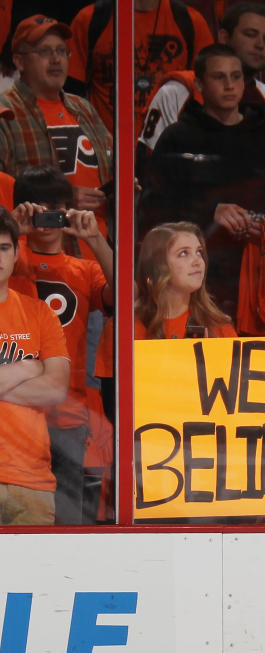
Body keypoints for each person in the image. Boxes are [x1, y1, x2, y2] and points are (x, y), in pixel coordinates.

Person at [137, 43, 265, 328]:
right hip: (195, 277)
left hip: (256, 273)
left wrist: (262, 225)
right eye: (219, 77)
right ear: (199, 82)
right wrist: (210, 213)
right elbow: (152, 213)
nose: (229, 85)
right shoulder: (177, 138)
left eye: (236, 76)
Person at [135, 1, 265, 209]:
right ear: (224, 37)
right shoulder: (175, 93)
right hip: (185, 225)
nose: (260, 44)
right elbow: (149, 173)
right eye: (250, 34)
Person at [12, 164, 112, 525]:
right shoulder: (10, 258)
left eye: (57, 209)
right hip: (15, 412)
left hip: (67, 411)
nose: (48, 221)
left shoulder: (83, 268)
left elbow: (126, 296)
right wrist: (12, 230)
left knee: (68, 520)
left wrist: (94, 238)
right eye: (40, 210)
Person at [0, 15, 112, 240]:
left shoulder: (84, 108)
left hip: (99, 252)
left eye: (62, 51)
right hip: (41, 257)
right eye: (44, 52)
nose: (56, 59)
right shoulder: (5, 114)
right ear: (19, 61)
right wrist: (65, 198)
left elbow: (111, 167)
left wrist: (122, 188)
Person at [0, 204, 70, 525]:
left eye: (3, 248)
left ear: (16, 253)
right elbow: (43, 379)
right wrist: (28, 368)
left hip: (29, 478)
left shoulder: (40, 312)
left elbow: (56, 389)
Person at [68, 0, 214, 131]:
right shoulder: (91, 19)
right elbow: (70, 94)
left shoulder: (190, 21)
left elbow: (208, 94)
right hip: (104, 149)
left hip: (167, 147)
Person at [134, 221, 237, 340]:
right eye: (183, 253)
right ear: (158, 267)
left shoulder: (219, 328)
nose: (197, 261)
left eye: (199, 252)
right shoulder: (125, 328)